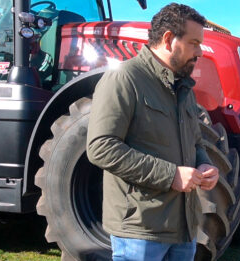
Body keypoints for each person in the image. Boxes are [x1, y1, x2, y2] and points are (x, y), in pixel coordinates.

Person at [86, 3, 219, 261]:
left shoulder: (184, 89)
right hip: (141, 231)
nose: (200, 52)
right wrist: (171, 176)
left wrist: (204, 165)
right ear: (169, 39)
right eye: (194, 43)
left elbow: (196, 143)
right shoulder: (125, 79)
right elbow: (101, 147)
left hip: (183, 228)